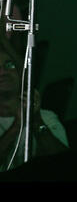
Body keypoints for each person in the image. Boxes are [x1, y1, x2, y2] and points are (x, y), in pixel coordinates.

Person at [0, 33, 69, 171]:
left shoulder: (46, 117)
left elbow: (67, 164)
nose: (3, 72)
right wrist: (16, 127)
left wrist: (36, 122)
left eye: (9, 65)